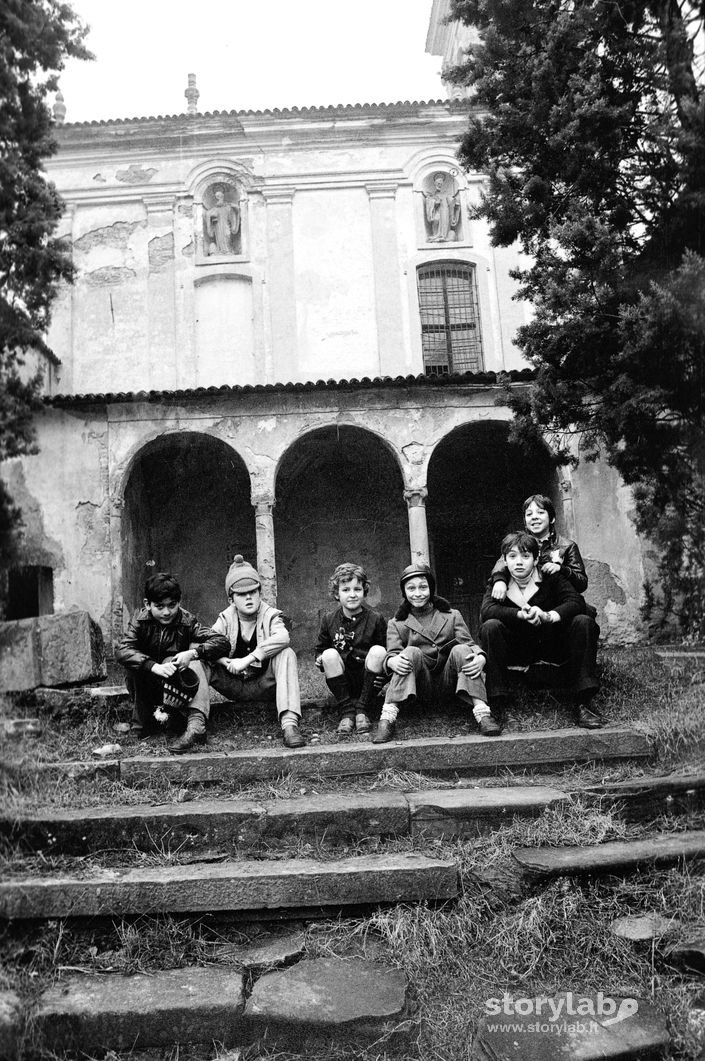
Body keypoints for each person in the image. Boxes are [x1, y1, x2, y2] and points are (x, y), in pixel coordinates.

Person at [479, 531, 602, 728]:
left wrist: (548, 616)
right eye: (512, 557)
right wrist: (519, 614)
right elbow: (487, 610)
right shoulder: (498, 583)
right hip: (517, 649)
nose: (519, 562)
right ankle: (501, 703)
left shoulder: (549, 578)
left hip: (551, 645)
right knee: (490, 627)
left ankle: (583, 701)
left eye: (525, 556)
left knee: (583, 621)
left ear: (536, 559)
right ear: (504, 560)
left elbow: (576, 601)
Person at [374, 561, 499, 744]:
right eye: (411, 588)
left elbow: (469, 643)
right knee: (409, 652)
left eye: (423, 587)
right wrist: (391, 662)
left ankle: (482, 714)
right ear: (404, 592)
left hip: (450, 682)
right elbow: (392, 652)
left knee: (462, 649)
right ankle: (387, 719)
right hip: (418, 685)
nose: (418, 593)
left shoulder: (451, 615)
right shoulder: (397, 623)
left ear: (431, 589)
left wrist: (480, 657)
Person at [116, 572, 230, 750]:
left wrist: (193, 653)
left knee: (175, 660)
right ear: (147, 604)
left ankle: (177, 722)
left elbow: (221, 642)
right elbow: (122, 650)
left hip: (175, 687)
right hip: (147, 683)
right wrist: (152, 666)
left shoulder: (186, 621)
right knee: (133, 667)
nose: (166, 612)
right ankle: (142, 723)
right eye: (159, 606)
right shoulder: (140, 620)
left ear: (179, 602)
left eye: (172, 605)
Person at [206, 555, 306, 750]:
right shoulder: (225, 619)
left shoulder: (270, 615)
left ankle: (289, 724)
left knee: (286, 653)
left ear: (260, 592)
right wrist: (225, 662)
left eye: (253, 591)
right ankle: (196, 723)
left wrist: (248, 659)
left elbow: (283, 637)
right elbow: (207, 644)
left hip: (263, 685)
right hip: (232, 684)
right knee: (201, 661)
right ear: (231, 598)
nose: (249, 597)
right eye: (242, 594)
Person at [315, 562, 388, 736]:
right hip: (342, 679)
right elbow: (320, 648)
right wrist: (320, 658)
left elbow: (387, 650)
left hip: (368, 678)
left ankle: (362, 709)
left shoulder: (375, 619)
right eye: (346, 590)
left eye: (357, 589)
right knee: (329, 654)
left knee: (379, 650)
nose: (352, 595)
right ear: (336, 594)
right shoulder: (329, 619)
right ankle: (347, 711)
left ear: (364, 591)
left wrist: (384, 676)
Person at [490, 494, 588, 600]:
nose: (534, 517)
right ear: (525, 521)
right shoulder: (516, 544)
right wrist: (499, 581)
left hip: (559, 602)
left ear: (552, 518)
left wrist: (562, 569)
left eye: (540, 512)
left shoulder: (567, 546)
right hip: (527, 600)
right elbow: (500, 566)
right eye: (529, 514)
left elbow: (581, 584)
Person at [423, 173, 460, 242]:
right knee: (436, 219)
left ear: (443, 183)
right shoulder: (433, 194)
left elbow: (451, 200)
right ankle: (436, 235)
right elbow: (429, 202)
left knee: (445, 221)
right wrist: (434, 202)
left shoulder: (446, 193)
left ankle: (444, 236)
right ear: (435, 183)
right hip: (437, 210)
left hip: (445, 209)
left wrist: (455, 202)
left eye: (441, 182)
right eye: (438, 182)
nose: (439, 183)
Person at [206, 187, 240, 255]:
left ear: (223, 196)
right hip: (218, 227)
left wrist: (236, 210)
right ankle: (220, 251)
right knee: (219, 238)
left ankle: (228, 250)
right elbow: (209, 214)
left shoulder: (228, 207)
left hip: (226, 225)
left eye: (219, 196)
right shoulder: (214, 209)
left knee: (227, 236)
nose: (218, 197)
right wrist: (210, 216)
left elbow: (233, 214)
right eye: (217, 196)